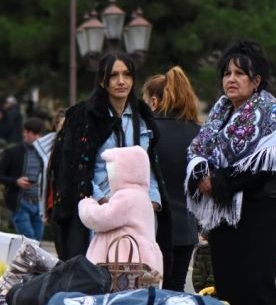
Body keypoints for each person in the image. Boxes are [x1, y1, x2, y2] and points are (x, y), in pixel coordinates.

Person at [186, 40, 276, 305]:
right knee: (229, 281)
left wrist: (217, 182)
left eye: (240, 73)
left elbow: (266, 165)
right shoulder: (220, 112)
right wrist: (202, 176)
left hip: (263, 207)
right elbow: (200, 149)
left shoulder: (271, 113)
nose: (231, 79)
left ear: (257, 79)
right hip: (225, 210)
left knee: (257, 281)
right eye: (227, 73)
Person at [50, 51, 171, 263]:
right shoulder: (83, 116)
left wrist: (151, 203)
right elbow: (73, 167)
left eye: (126, 74)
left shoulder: (142, 118)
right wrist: (101, 202)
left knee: (137, 281)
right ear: (103, 80)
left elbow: (150, 167)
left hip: (139, 217)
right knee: (97, 278)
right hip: (98, 214)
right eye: (114, 75)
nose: (121, 81)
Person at [142, 66, 201, 291]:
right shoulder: (197, 132)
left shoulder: (147, 132)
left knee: (148, 291)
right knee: (175, 289)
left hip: (152, 226)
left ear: (155, 101)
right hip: (186, 228)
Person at [79, 146, 163, 275]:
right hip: (142, 262)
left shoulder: (126, 196)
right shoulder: (143, 196)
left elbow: (102, 218)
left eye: (112, 171)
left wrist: (86, 204)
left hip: (122, 265)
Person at [0, 117, 46, 241]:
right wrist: (16, 181)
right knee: (29, 239)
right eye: (33, 134)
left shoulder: (44, 153)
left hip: (39, 203)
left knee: (37, 239)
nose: (37, 138)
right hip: (20, 202)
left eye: (39, 134)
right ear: (25, 133)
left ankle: (29, 260)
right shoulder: (13, 152)